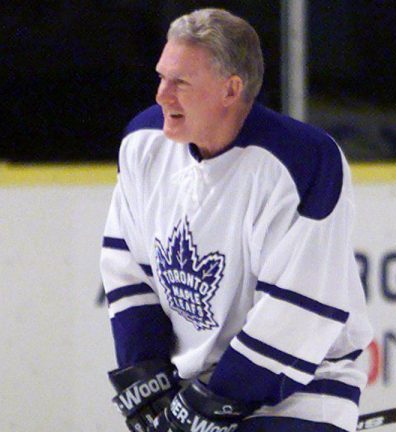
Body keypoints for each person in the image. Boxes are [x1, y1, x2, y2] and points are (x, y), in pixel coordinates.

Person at [100, 8, 372, 432]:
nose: (161, 95)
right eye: (162, 77)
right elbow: (129, 270)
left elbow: (297, 312)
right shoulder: (143, 144)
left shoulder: (302, 162)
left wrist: (214, 402)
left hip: (299, 391)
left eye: (180, 83)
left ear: (231, 90)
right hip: (191, 389)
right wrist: (148, 376)